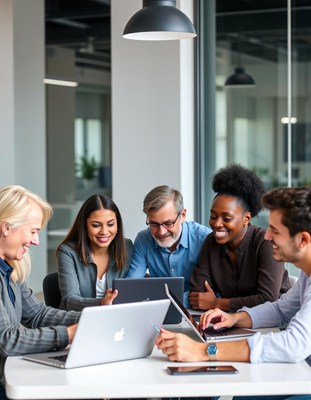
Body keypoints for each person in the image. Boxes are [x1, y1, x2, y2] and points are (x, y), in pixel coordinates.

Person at [156, 186, 311, 400]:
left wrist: (203, 352)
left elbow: (294, 344)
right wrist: (235, 317)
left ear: (303, 240)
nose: (267, 235)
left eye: (275, 231)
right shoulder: (307, 274)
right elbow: (280, 310)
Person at [0, 185, 80, 400]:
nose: (36, 241)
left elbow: (37, 315)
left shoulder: (9, 268)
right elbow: (6, 341)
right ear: (6, 227)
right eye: (33, 231)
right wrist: (69, 334)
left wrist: (90, 318)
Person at [189, 164, 290, 312]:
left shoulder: (265, 242)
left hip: (277, 322)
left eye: (227, 218)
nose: (217, 224)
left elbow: (267, 299)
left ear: (246, 218)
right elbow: (198, 294)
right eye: (213, 216)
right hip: (232, 321)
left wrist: (216, 303)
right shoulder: (212, 241)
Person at [126, 185, 211, 306]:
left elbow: (206, 292)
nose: (161, 232)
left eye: (168, 223)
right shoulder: (143, 239)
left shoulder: (205, 239)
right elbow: (131, 287)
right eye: (154, 224)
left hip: (201, 313)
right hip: (160, 312)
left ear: (183, 215)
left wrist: (156, 301)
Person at [57, 194, 133, 311]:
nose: (104, 231)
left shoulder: (126, 247)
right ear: (84, 226)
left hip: (117, 319)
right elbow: (69, 300)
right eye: (96, 225)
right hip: (77, 320)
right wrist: (102, 303)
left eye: (110, 224)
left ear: (117, 225)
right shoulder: (67, 251)